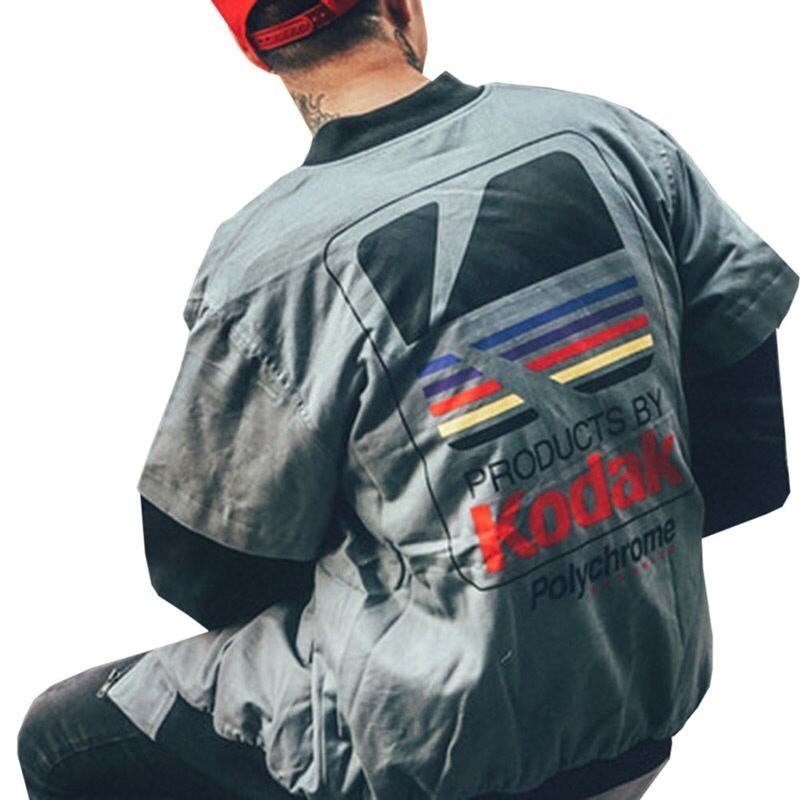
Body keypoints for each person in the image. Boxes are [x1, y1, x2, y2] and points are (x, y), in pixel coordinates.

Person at [16, 1, 798, 798]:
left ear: (255, 52)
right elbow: (750, 470)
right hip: (645, 702)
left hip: (431, 746)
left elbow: (206, 578)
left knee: (59, 738)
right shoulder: (617, 141)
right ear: (402, 7)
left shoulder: (265, 268)